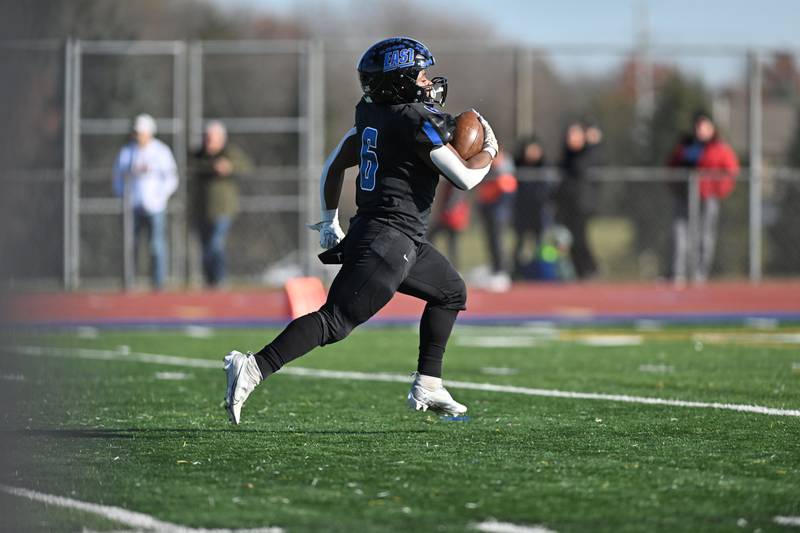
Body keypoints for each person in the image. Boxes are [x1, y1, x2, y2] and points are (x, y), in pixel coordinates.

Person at [222, 37, 499, 424]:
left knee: (450, 292)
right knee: (334, 321)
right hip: (389, 239)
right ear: (400, 80)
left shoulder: (374, 114)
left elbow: (333, 165)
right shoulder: (416, 120)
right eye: (419, 74)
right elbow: (466, 178)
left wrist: (328, 221)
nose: (426, 81)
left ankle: (429, 383)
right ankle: (253, 366)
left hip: (394, 235)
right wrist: (490, 149)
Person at [668, 111, 739, 284]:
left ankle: (700, 274)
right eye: (698, 126)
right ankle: (678, 274)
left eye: (704, 126)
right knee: (680, 234)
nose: (700, 130)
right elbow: (671, 167)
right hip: (685, 197)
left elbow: (731, 172)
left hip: (707, 198)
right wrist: (677, 186)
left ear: (712, 128)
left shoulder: (720, 147)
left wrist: (715, 188)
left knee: (705, 236)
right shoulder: (686, 145)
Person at [112, 113, 179, 290]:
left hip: (155, 207)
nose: (139, 136)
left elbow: (172, 178)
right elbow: (117, 177)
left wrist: (160, 197)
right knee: (130, 245)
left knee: (156, 245)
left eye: (142, 132)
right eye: (137, 132)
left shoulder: (161, 151)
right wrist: (123, 196)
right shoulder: (127, 152)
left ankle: (158, 283)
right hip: (132, 206)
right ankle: (129, 282)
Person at [190, 120, 253, 287]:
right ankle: (209, 281)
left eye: (212, 138)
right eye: (206, 137)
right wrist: (213, 166)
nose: (208, 141)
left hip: (223, 210)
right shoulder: (198, 155)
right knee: (205, 248)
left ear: (221, 139)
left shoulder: (230, 153)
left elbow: (246, 166)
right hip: (201, 210)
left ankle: (220, 279)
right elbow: (191, 166)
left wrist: (229, 167)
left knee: (215, 244)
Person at [553, 122, 598, 279]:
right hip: (567, 204)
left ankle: (591, 269)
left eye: (575, 134)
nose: (571, 138)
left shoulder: (587, 152)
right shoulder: (566, 154)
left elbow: (581, 167)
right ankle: (579, 272)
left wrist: (592, 144)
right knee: (569, 240)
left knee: (580, 238)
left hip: (581, 203)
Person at [511, 135, 552, 278]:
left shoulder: (544, 167)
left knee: (540, 243)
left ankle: (539, 271)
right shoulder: (518, 165)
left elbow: (548, 190)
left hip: (539, 211)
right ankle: (516, 271)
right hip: (522, 210)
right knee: (520, 242)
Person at [475, 150, 517, 291]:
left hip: (498, 212)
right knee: (491, 240)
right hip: (489, 209)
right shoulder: (487, 170)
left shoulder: (504, 172)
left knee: (498, 241)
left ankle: (502, 272)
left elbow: (507, 191)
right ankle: (495, 269)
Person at [427, 181, 471, 270]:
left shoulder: (455, 182)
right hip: (451, 217)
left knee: (432, 238)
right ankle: (452, 267)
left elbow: (456, 197)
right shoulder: (454, 181)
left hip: (451, 217)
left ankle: (452, 267)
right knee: (452, 243)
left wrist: (447, 209)